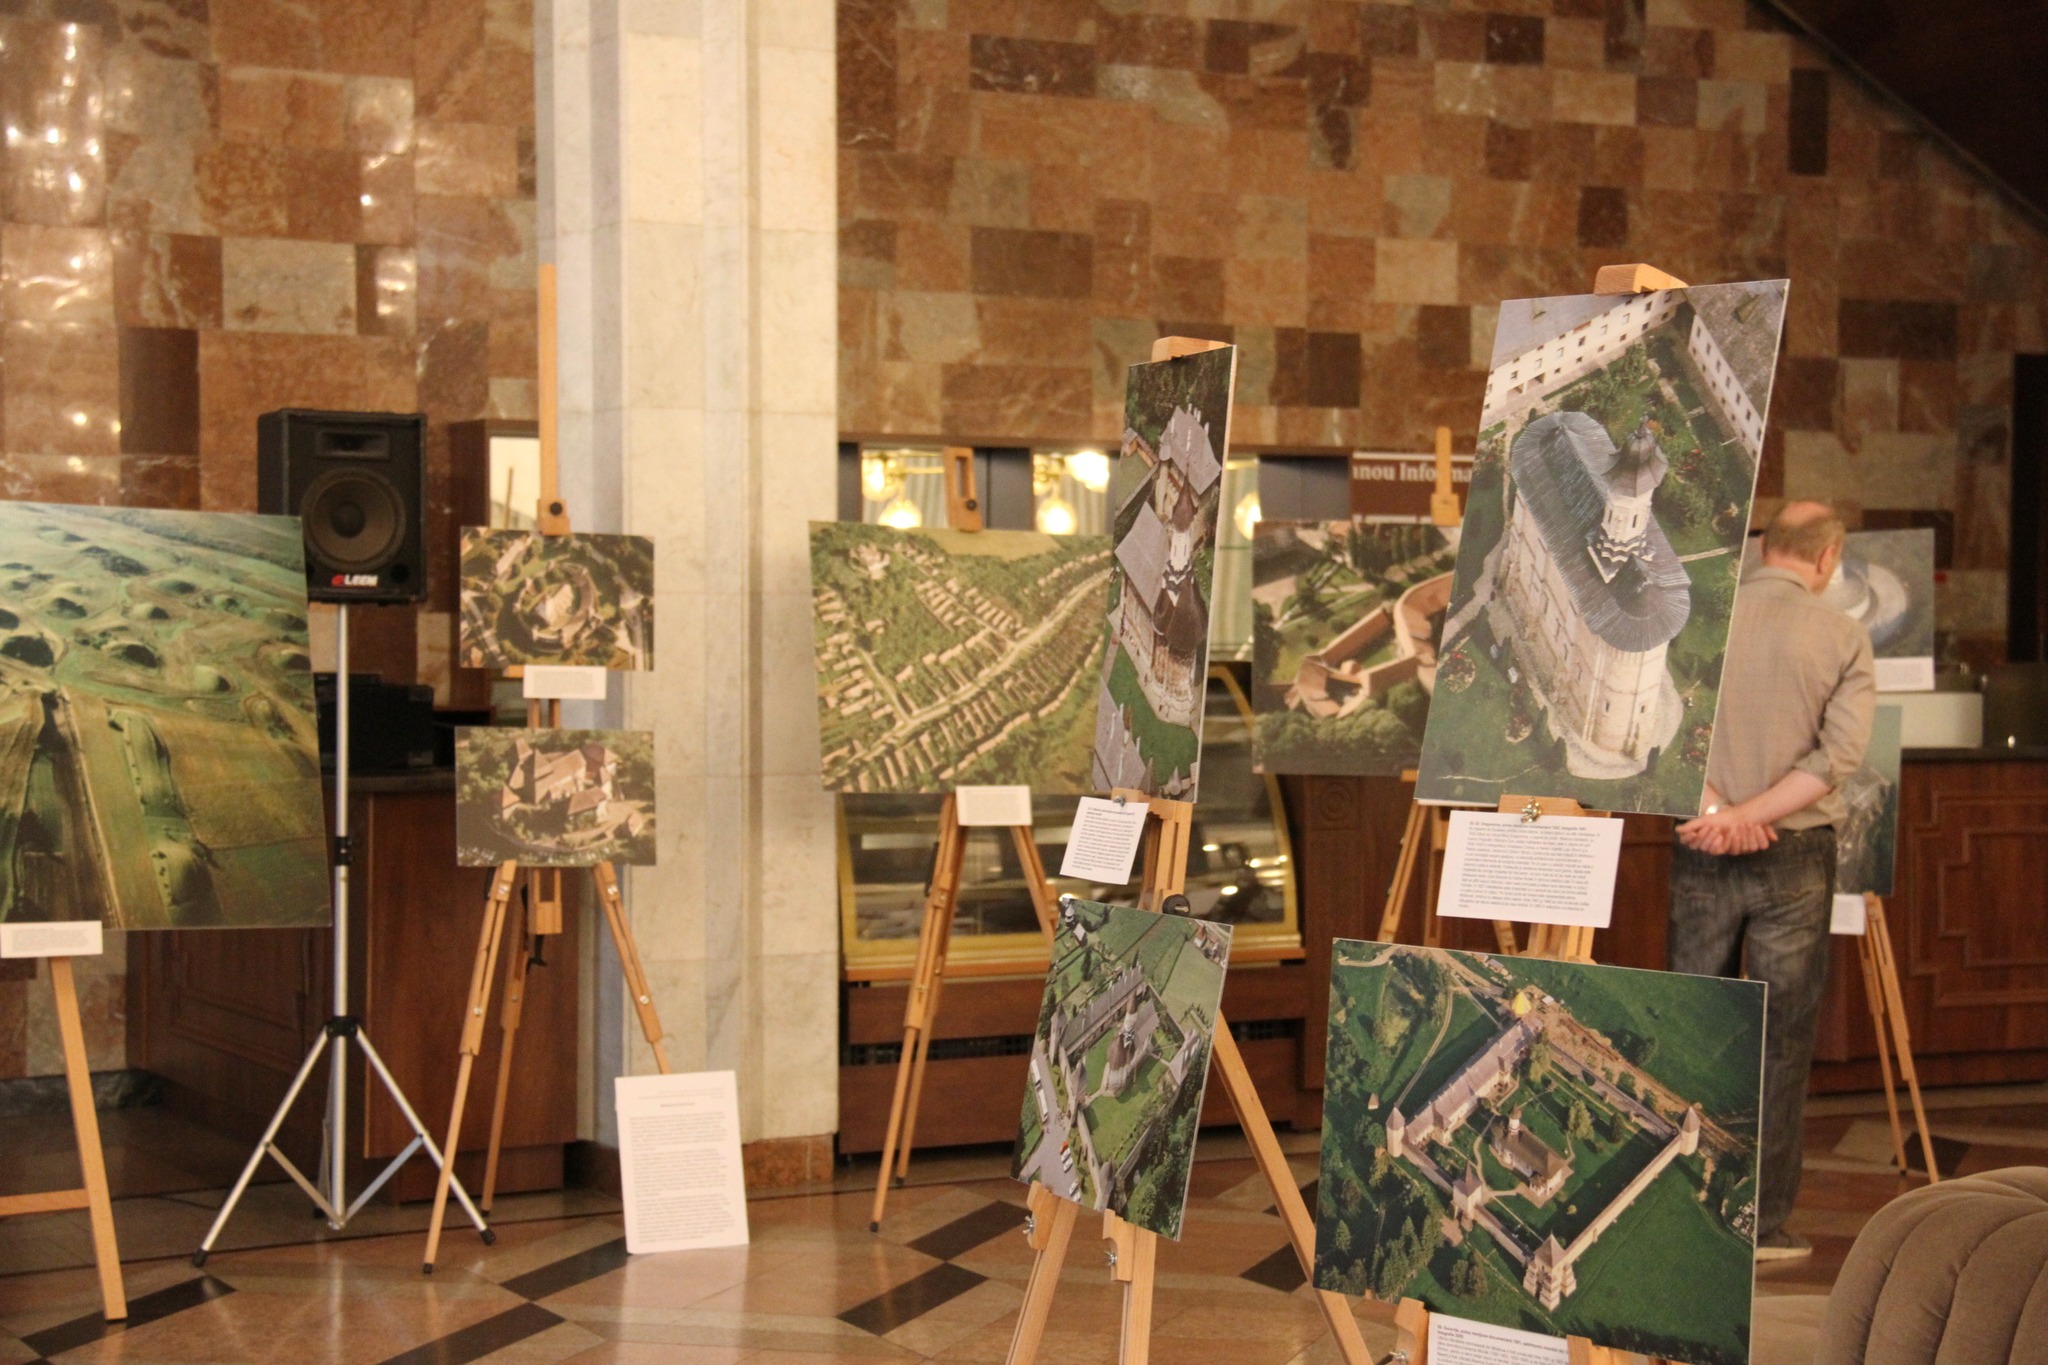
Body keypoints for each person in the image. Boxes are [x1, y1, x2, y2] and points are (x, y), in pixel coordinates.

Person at [1670, 501, 1876, 1262]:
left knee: (1694, 1026)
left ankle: (1682, 1207)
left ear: (1765, 549)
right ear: (1827, 557)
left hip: (1700, 842)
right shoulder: (1844, 635)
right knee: (1781, 1042)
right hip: (1795, 851)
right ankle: (1761, 1226)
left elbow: (1661, 731)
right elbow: (1838, 757)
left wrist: (1719, 813)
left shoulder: (1697, 621)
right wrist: (1752, 816)